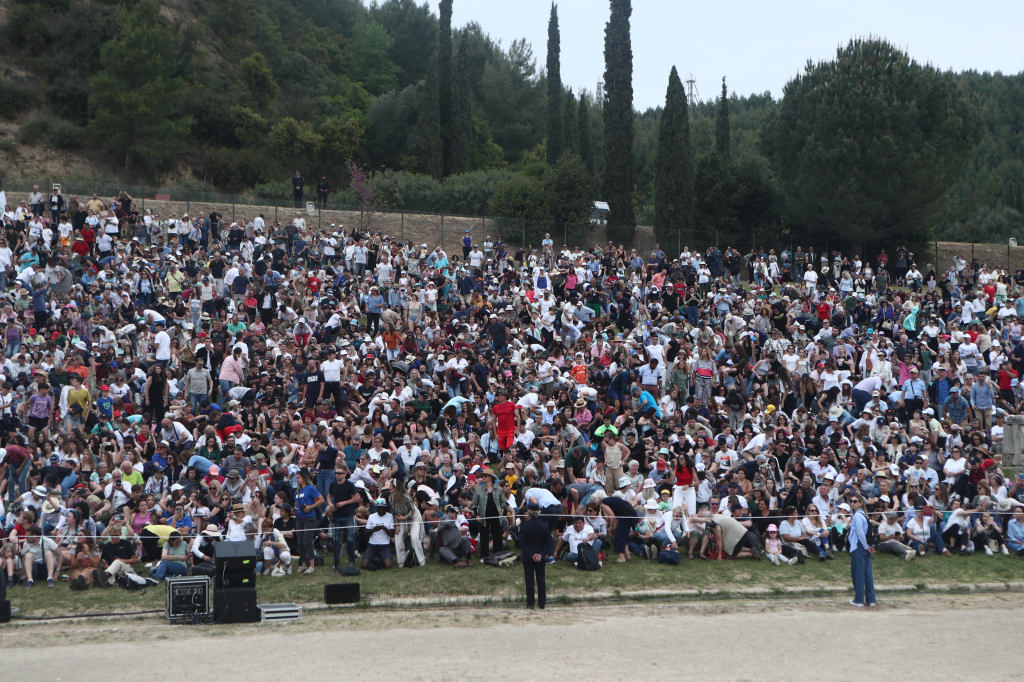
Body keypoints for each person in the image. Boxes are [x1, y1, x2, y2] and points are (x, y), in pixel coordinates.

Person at [518, 501, 554, 609]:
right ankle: (542, 603)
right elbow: (548, 542)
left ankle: (530, 603)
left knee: (529, 581)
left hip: (528, 557)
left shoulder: (524, 526)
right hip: (540, 556)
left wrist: (531, 554)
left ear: (528, 512)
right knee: (541, 580)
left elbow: (522, 543)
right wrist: (541, 554)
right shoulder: (544, 525)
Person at [847, 494, 876, 608]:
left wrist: (865, 546)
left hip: (859, 546)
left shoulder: (858, 516)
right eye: (851, 501)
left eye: (855, 501)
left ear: (860, 503)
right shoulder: (864, 515)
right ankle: (871, 599)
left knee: (858, 574)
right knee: (867, 574)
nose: (852, 503)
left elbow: (860, 532)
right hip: (864, 545)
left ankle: (859, 599)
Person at [361, 497, 395, 570]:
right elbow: (366, 532)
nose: (380, 510)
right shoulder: (371, 516)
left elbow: (392, 533)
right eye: (379, 508)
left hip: (385, 545)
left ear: (385, 508)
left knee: (388, 565)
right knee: (363, 565)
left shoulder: (390, 516)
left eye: (382, 508)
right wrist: (374, 529)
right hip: (372, 545)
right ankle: (375, 558)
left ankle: (380, 558)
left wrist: (384, 528)